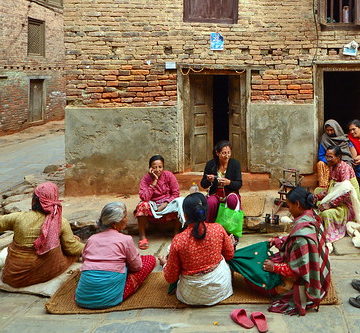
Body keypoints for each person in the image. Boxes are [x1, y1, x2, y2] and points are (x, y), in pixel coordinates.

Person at [231, 187, 330, 315]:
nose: (288, 210)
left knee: (250, 279)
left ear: (298, 205)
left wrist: (275, 267)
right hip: (317, 268)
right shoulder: (313, 216)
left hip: (302, 279)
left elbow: (297, 271)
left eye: (289, 206)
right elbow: (295, 242)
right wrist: (279, 241)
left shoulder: (302, 239)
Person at [0, 182, 84, 288]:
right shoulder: (61, 222)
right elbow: (72, 248)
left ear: (34, 200)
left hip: (12, 276)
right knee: (73, 244)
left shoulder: (18, 218)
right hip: (40, 273)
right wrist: (90, 246)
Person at [159, 192, 235, 306]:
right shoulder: (218, 229)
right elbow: (229, 255)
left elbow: (170, 278)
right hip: (220, 290)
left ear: (184, 215)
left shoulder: (179, 240)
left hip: (191, 296)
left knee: (171, 251)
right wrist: (230, 243)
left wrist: (165, 264)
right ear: (206, 211)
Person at [75, 202, 156, 309]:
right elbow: (137, 267)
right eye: (125, 217)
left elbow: (85, 260)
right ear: (114, 224)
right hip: (110, 299)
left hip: (82, 298)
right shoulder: (125, 240)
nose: (127, 219)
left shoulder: (92, 239)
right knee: (149, 259)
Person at [314, 145, 360, 250]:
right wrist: (317, 196)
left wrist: (330, 204)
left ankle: (331, 234)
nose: (328, 159)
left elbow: (346, 192)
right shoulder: (332, 167)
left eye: (331, 157)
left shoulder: (344, 168)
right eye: (327, 157)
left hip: (348, 203)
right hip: (338, 196)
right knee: (317, 193)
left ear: (339, 157)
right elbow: (332, 188)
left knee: (326, 213)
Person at [134, 155, 181, 250]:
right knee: (142, 205)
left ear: (163, 167)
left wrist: (165, 203)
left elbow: (175, 193)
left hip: (167, 204)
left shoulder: (169, 175)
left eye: (160, 167)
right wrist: (154, 182)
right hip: (153, 205)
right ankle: (142, 236)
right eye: (154, 167)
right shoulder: (146, 179)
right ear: (150, 168)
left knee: (180, 203)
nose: (158, 170)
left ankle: (176, 234)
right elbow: (144, 198)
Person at [200, 140, 242, 222]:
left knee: (232, 200)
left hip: (230, 193)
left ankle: (231, 230)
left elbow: (239, 184)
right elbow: (203, 184)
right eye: (224, 153)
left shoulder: (235, 164)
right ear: (217, 153)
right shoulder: (210, 164)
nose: (227, 156)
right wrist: (209, 180)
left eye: (229, 153)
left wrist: (229, 182)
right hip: (215, 193)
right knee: (210, 202)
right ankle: (208, 227)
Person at [317, 119, 353, 188]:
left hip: (342, 162)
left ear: (336, 129)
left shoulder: (343, 139)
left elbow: (347, 155)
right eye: (327, 130)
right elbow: (321, 155)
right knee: (320, 163)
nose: (329, 132)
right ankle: (324, 188)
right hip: (329, 162)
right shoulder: (324, 139)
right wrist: (331, 161)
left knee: (345, 167)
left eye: (331, 130)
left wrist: (338, 162)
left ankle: (344, 187)